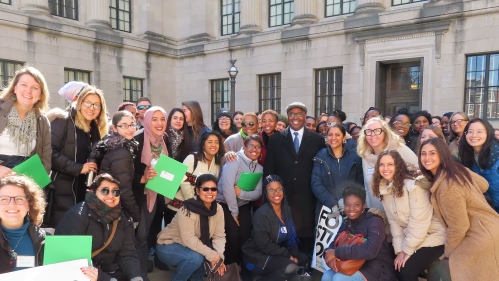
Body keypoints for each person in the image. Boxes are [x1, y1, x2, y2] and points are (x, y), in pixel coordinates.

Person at [418, 138, 499, 281]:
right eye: (423, 154)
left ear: (442, 155)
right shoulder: (457, 170)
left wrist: (449, 252)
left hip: (479, 236)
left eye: (432, 153)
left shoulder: (447, 186)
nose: (427, 158)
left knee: (457, 268)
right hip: (491, 227)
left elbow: (459, 226)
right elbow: (484, 185)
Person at [0, 175, 97, 279]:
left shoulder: (46, 241)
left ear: (30, 204)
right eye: (4, 199)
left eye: (19, 199)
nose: (12, 204)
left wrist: (88, 277)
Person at [372, 150, 445, 281]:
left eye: (390, 164)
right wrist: (400, 251)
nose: (385, 168)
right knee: (395, 265)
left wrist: (407, 251)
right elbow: (394, 224)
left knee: (405, 270)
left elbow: (419, 223)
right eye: (381, 165)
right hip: (415, 239)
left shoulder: (413, 187)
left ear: (398, 166)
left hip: (434, 236)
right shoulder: (385, 190)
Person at [264, 102, 326, 257]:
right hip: (282, 197)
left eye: (299, 114)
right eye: (292, 114)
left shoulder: (317, 140)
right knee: (284, 234)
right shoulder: (276, 139)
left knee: (306, 236)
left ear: (305, 116)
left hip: (308, 197)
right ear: (288, 117)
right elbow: (269, 170)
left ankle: (306, 267)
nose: (295, 117)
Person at [55, 173, 141, 281]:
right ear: (93, 192)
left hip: (110, 271)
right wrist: (105, 278)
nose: (111, 195)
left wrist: (135, 276)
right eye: (104, 190)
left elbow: (128, 253)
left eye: (115, 192)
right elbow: (72, 259)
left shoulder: (121, 217)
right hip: (82, 274)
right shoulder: (77, 215)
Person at [48, 83, 108, 226]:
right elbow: (49, 151)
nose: (91, 107)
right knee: (63, 235)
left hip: (83, 191)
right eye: (88, 102)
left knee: (78, 234)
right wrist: (79, 168)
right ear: (79, 102)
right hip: (61, 191)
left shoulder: (94, 129)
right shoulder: (63, 120)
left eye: (96, 105)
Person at [156, 174, 227, 281]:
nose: (210, 192)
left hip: (191, 247)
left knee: (208, 256)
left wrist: (219, 257)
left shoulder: (219, 209)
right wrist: (213, 256)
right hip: (168, 245)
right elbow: (188, 239)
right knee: (196, 258)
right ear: (197, 191)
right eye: (205, 189)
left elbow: (219, 236)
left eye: (213, 189)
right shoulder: (187, 209)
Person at [243, 175, 310, 281]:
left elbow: (291, 237)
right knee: (290, 267)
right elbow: (263, 244)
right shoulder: (262, 213)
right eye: (271, 190)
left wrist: (295, 254)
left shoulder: (286, 210)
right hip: (257, 256)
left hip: (275, 252)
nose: (276, 193)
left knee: (303, 258)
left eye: (279, 189)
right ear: (266, 193)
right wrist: (288, 255)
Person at [322, 185, 397, 281]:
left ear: (363, 205)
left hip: (376, 268)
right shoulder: (346, 222)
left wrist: (336, 253)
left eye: (356, 204)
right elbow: (332, 245)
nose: (351, 209)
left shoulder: (374, 221)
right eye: (347, 205)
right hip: (352, 263)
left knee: (339, 278)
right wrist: (328, 255)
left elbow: (370, 251)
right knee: (327, 276)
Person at [217, 135, 263, 279]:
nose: (254, 150)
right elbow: (227, 188)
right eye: (251, 146)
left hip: (242, 204)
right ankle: (229, 269)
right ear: (244, 146)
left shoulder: (260, 167)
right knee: (233, 235)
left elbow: (258, 193)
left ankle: (244, 267)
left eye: (258, 147)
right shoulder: (234, 160)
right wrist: (234, 212)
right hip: (224, 203)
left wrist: (241, 193)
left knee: (246, 235)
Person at [132, 106, 168, 280]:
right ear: (146, 120)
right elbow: (123, 171)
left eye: (162, 119)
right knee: (139, 236)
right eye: (154, 119)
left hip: (153, 195)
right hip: (136, 196)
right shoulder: (137, 139)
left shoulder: (162, 141)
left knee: (144, 236)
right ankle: (138, 275)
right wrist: (142, 177)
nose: (159, 123)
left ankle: (140, 273)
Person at [357, 116, 418, 211]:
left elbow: (419, 173)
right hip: (376, 214)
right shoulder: (365, 155)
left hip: (401, 214)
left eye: (377, 130)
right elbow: (367, 187)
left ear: (385, 133)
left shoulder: (399, 149)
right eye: (369, 131)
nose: (373, 134)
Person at [0, 66, 51, 177]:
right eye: (23, 85)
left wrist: (24, 178)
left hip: (26, 179)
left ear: (41, 95)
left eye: (35, 87)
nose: (28, 91)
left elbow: (46, 162)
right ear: (14, 88)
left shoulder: (42, 121)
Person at [92, 111, 141, 225]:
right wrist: (136, 215)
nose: (129, 129)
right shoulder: (121, 152)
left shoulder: (113, 144)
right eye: (123, 125)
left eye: (132, 124)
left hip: (106, 203)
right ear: (114, 128)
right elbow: (124, 189)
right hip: (113, 205)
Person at [311, 123, 363, 219]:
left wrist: (348, 203)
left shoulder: (354, 157)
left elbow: (360, 183)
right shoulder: (320, 156)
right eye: (330, 135)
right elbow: (316, 183)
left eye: (337, 135)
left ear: (344, 137)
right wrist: (333, 205)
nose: (333, 138)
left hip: (351, 210)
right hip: (326, 210)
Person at [167, 131, 224, 212]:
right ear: (203, 145)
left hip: (201, 209)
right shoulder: (192, 158)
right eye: (210, 142)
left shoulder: (217, 165)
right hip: (179, 207)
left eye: (216, 142)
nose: (213, 145)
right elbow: (183, 181)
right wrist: (192, 203)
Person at [459, 118, 499, 211]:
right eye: (470, 132)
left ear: (488, 133)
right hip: (488, 210)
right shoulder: (467, 156)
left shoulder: (497, 154)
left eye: (479, 131)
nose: (474, 135)